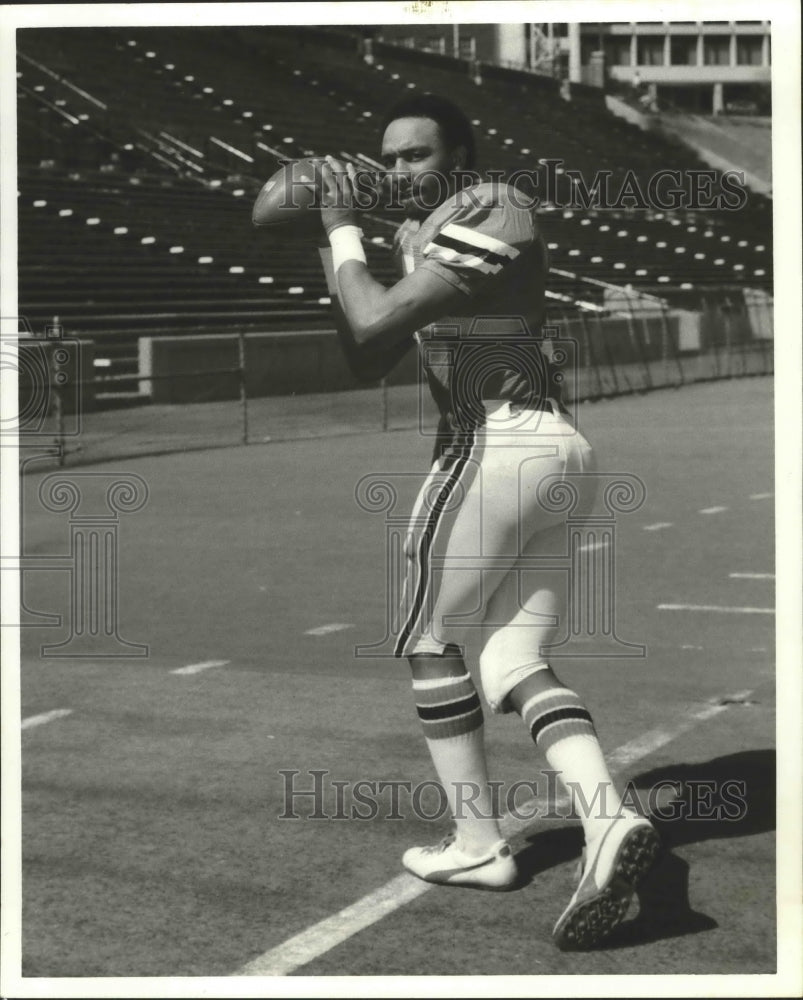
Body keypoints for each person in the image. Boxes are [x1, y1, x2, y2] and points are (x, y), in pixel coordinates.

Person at [313, 93, 661, 951]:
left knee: (431, 643)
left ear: (459, 153)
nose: (397, 169)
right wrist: (338, 240)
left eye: (415, 154)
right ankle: (607, 818)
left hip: (493, 444)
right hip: (549, 456)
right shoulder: (428, 229)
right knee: (512, 657)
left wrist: (337, 227)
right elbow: (365, 354)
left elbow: (371, 317)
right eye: (386, 157)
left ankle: (477, 844)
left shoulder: (488, 202)